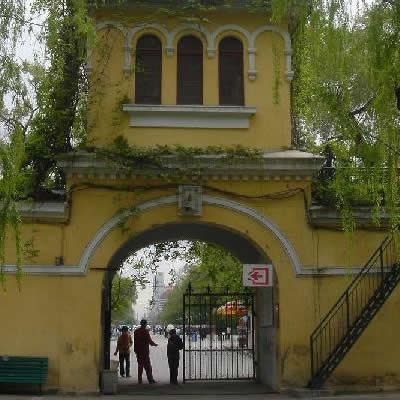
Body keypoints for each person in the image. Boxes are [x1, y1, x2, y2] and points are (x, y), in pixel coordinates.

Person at [134, 319, 158, 384]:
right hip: (144, 351)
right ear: (145, 324)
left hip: (138, 351)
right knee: (148, 366)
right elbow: (149, 340)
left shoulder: (136, 331)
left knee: (140, 365)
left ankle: (140, 380)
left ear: (140, 323)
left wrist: (135, 350)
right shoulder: (145, 331)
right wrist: (154, 344)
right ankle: (150, 380)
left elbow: (135, 341)